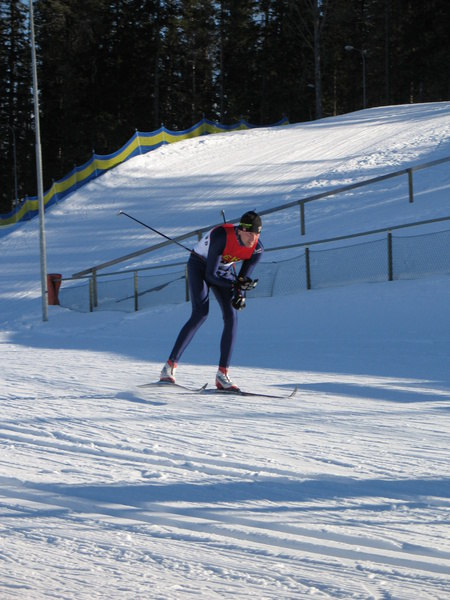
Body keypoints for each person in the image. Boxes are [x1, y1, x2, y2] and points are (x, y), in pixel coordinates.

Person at [160, 210, 263, 391]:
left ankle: (222, 375)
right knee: (201, 313)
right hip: (200, 266)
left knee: (232, 316)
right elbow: (210, 275)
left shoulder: (257, 249)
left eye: (257, 234)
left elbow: (242, 278)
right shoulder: (222, 236)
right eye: (250, 234)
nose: (253, 239)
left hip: (223, 270)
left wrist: (240, 293)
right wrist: (234, 285)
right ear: (240, 230)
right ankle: (169, 367)